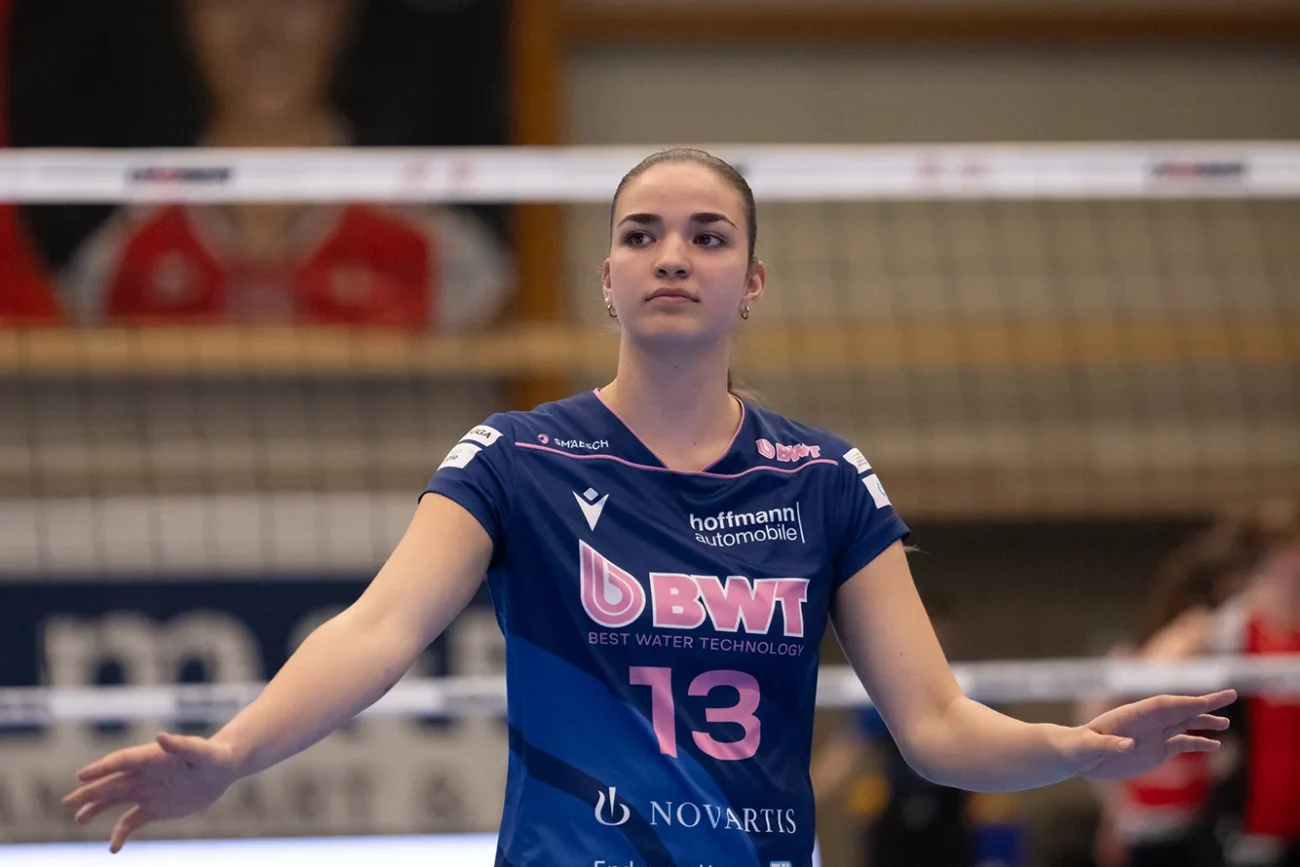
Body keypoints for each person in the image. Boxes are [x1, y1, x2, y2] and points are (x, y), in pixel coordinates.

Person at [62, 148, 1235, 865]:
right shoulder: (518, 457)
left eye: (707, 237)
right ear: (608, 279)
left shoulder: (825, 477)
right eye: (642, 235)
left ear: (750, 282)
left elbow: (933, 724)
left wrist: (1076, 751)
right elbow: (376, 630)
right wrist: (232, 753)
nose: (672, 255)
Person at [61, 0, 508, 330]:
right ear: (188, 16)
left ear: (342, 15)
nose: (262, 31)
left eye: (294, 1)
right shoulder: (114, 263)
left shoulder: (444, 260)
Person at [1138, 499, 1300, 867]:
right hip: (1258, 816)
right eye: (1290, 552)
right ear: (1271, 559)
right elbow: (1153, 667)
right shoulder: (1234, 625)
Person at [1081, 526, 1250, 867]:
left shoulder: (1220, 646)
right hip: (1151, 817)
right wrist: (1114, 814)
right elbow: (1093, 732)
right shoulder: (1154, 649)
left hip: (1198, 816)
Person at [812, 596, 983, 867]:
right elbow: (847, 750)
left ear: (952, 638)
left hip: (952, 821)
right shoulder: (889, 691)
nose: (936, 643)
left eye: (942, 636)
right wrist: (803, 795)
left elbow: (998, 754)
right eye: (929, 636)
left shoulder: (975, 690)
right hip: (898, 818)